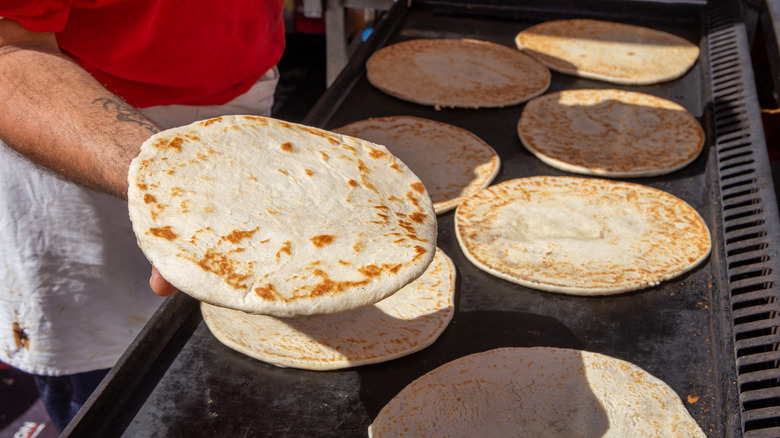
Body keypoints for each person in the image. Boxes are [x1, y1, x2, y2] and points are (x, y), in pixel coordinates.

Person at [0, 1, 285, 432]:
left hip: (241, 113)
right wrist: (174, 183)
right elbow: (9, 51)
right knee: (120, 396)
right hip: (78, 134)